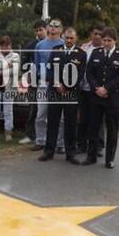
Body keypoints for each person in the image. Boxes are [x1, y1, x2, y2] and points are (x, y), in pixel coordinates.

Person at [81, 27, 119, 169]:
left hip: (112, 97)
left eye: (109, 40)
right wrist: (97, 88)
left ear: (115, 41)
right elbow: (89, 73)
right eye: (104, 40)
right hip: (96, 96)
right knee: (93, 127)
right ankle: (91, 156)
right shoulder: (96, 53)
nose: (106, 43)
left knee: (112, 129)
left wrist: (107, 89)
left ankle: (110, 159)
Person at [39, 27, 86, 164]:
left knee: (70, 124)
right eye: (67, 37)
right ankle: (48, 152)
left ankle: (70, 153)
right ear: (63, 37)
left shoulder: (81, 54)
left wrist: (66, 86)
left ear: (76, 38)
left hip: (71, 93)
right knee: (52, 123)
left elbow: (80, 75)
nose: (69, 40)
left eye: (72, 38)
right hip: (55, 91)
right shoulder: (55, 50)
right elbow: (49, 71)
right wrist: (57, 84)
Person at [33, 19, 65, 153]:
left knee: (61, 116)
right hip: (43, 83)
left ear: (60, 30)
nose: (53, 28)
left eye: (56, 26)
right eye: (51, 25)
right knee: (41, 114)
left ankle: (60, 143)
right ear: (47, 28)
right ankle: (40, 140)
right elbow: (36, 63)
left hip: (60, 84)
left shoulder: (64, 44)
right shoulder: (40, 45)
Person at [18, 20, 47, 144]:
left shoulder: (53, 45)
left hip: (49, 82)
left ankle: (47, 135)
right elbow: (23, 64)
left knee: (48, 110)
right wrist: (27, 74)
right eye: (37, 30)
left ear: (46, 29)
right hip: (34, 83)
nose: (39, 32)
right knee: (33, 108)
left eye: (41, 29)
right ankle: (30, 135)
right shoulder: (31, 45)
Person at [78, 24, 105, 155]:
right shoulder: (84, 48)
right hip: (83, 88)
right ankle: (82, 145)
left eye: (100, 34)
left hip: (97, 90)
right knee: (83, 119)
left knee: (97, 119)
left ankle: (98, 146)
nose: (97, 36)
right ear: (91, 34)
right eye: (95, 33)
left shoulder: (105, 50)